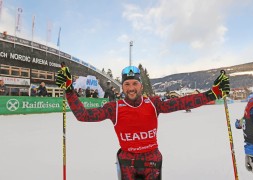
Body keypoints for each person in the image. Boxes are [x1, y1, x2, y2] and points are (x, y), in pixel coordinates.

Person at [56, 65, 230, 180]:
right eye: (127, 84)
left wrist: (211, 94)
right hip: (127, 161)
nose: (131, 88)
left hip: (151, 160)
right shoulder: (113, 108)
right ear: (122, 87)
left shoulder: (154, 104)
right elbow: (83, 115)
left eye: (134, 83)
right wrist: (70, 90)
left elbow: (182, 103)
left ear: (141, 86)